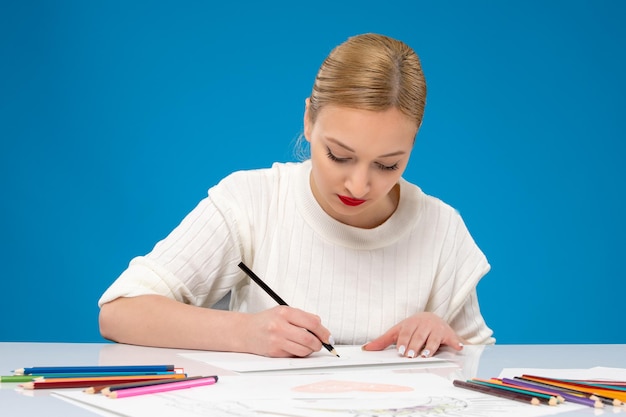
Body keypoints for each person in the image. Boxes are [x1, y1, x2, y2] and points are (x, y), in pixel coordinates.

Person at [98, 33, 495, 359]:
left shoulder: (442, 229)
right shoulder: (251, 202)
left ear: (412, 143)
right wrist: (244, 332)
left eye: (388, 165)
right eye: (339, 156)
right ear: (308, 120)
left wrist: (443, 339)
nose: (358, 186)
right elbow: (119, 312)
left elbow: (481, 366)